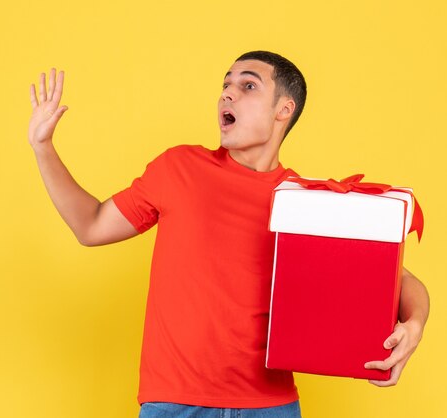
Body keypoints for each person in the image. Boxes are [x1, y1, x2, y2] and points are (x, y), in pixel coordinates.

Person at [27, 51, 430, 418]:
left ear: (283, 111)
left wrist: (414, 324)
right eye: (225, 85)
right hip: (174, 405)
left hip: (270, 408)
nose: (227, 95)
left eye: (247, 85)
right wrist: (43, 147)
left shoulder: (304, 202)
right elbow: (91, 226)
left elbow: (400, 280)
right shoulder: (179, 168)